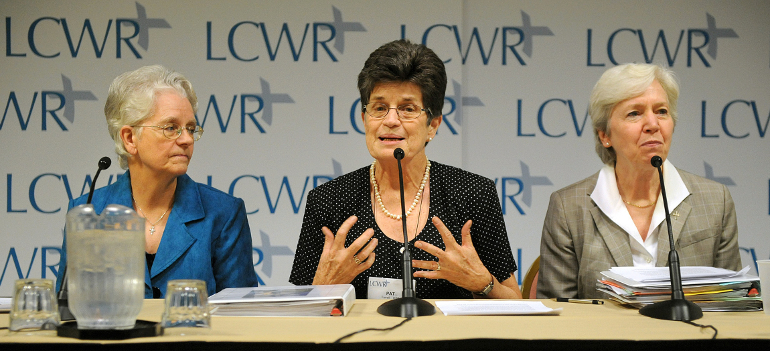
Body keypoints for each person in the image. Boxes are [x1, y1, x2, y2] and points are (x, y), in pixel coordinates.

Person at [290, 40, 521, 299]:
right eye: (379, 108)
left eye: (407, 109)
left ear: (432, 125)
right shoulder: (328, 200)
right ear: (364, 119)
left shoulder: (472, 193)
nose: (390, 120)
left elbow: (516, 304)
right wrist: (325, 285)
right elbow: (300, 312)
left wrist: (481, 283)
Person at [537, 63, 740, 299]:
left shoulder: (716, 201)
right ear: (605, 135)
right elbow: (559, 316)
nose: (653, 125)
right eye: (635, 113)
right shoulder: (568, 208)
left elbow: (733, 303)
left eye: (661, 111)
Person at [56, 65, 256, 298]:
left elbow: (241, 314)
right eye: (171, 128)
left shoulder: (223, 213)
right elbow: (68, 309)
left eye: (191, 129)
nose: (187, 139)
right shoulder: (88, 211)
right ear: (130, 138)